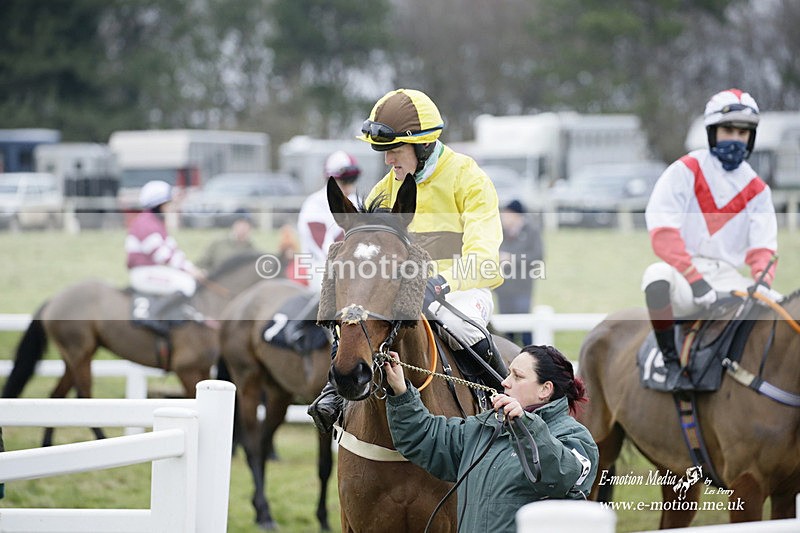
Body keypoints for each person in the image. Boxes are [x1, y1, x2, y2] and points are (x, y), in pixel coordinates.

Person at [308, 88, 508, 433]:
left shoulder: (468, 178)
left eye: (395, 151)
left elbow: (485, 259)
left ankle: (502, 404)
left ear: (423, 144)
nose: (388, 161)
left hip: (458, 291)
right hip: (400, 292)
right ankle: (337, 392)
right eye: (384, 153)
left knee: (462, 328)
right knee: (354, 322)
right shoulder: (384, 191)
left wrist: (439, 282)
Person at [383, 344, 598, 532]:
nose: (505, 382)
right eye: (509, 374)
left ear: (545, 389)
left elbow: (560, 475)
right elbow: (426, 438)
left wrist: (525, 425)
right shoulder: (485, 426)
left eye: (517, 376)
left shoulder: (575, 437)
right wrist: (401, 393)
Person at [642, 88, 778, 377]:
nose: (737, 139)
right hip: (684, 276)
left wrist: (763, 283)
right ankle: (670, 363)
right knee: (655, 277)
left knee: (786, 312)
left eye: (744, 133)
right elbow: (663, 232)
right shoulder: (685, 170)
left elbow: (763, 248)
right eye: (729, 130)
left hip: (730, 279)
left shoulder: (758, 190)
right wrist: (695, 279)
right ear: (712, 131)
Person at [126, 180, 205, 298]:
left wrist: (191, 268)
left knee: (187, 280)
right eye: (169, 203)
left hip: (151, 271)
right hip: (143, 273)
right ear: (161, 204)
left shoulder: (155, 222)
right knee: (187, 284)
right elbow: (163, 256)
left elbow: (173, 250)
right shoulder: (146, 224)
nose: (171, 206)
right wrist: (190, 271)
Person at [296, 150, 361, 290]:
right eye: (345, 181)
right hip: (319, 266)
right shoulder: (314, 204)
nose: (349, 186)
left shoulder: (357, 202)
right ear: (331, 179)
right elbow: (325, 248)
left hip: (353, 264)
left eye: (353, 180)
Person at [496, 199, 544, 345]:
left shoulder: (531, 231)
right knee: (506, 329)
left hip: (522, 288)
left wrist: (512, 259)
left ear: (516, 215)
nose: (503, 217)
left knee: (525, 328)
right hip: (503, 288)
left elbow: (537, 256)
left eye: (506, 214)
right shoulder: (500, 232)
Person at [196, 208, 256, 272]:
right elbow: (201, 264)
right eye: (239, 224)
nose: (242, 228)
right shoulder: (218, 243)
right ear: (233, 225)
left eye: (246, 225)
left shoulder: (252, 251)